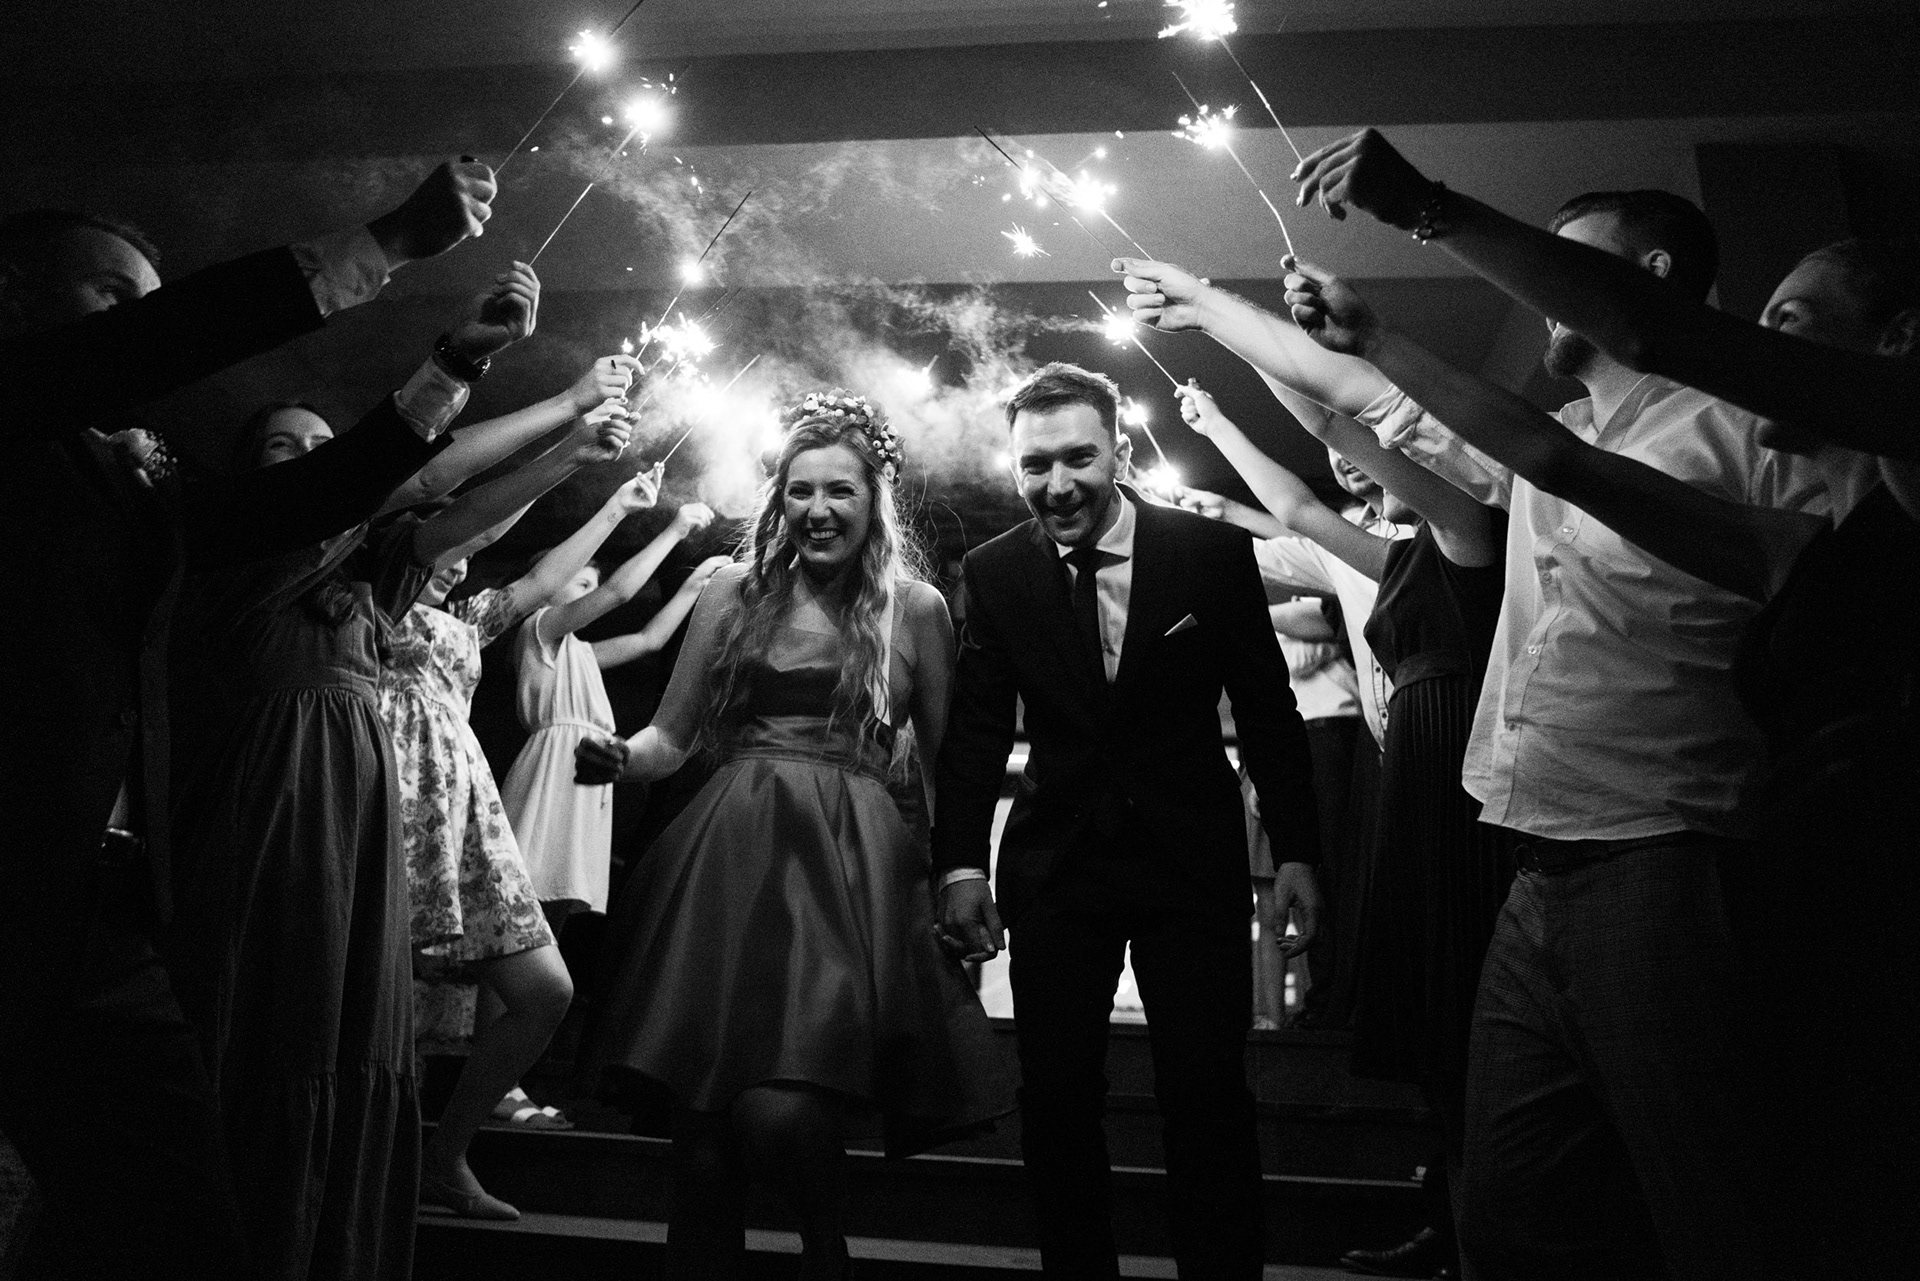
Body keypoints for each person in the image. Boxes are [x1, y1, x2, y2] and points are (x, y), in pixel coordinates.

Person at [1116, 180, 1835, 1278]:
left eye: (1563, 261)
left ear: (1645, 278)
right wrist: (1204, 304)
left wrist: (1404, 249)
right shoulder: (1561, 434)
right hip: (1530, 864)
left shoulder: (1746, 437)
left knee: (1708, 1204)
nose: (1535, 288)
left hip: (1668, 855)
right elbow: (1359, 400)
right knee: (1511, 1211)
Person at [1285, 128, 1920, 1270]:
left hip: (1736, 883)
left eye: (1786, 321)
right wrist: (1374, 337)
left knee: (1734, 1219)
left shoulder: (1888, 500)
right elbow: (1556, 459)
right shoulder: (1784, 544)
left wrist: (1425, 205)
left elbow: (1655, 335)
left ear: (1898, 344)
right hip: (1553, 872)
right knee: (1517, 1219)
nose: (1754, 345)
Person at [0, 159, 493, 1280]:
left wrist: (452, 367)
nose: (140, 320)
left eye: (147, 300)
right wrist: (388, 242)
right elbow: (146, 347)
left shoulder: (129, 484)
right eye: (112, 295)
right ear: (14, 297)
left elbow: (296, 507)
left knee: (179, 1229)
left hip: (96, 919)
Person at [162, 261, 544, 1281]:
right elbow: (411, 478)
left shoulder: (365, 590)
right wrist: (495, 375)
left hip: (356, 807)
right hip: (273, 801)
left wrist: (572, 450)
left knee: (347, 1031)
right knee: (269, 1024)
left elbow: (459, 514)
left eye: (323, 449)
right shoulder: (235, 564)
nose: (311, 463)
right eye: (284, 451)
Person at [574, 389, 1010, 1280]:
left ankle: (826, 1250)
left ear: (873, 499)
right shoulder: (730, 589)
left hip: (848, 867)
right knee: (702, 1146)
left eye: (839, 489)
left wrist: (959, 878)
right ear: (779, 498)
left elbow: (944, 768)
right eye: (800, 489)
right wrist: (622, 757)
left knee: (781, 1109)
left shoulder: (916, 607)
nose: (818, 508)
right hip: (727, 860)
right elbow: (670, 736)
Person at [931, 362, 1322, 1279]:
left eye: (1078, 458)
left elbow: (1268, 709)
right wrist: (960, 866)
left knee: (1208, 1096)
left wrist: (1299, 851)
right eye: (1035, 465)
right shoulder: (994, 571)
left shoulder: (1208, 553)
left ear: (1119, 453)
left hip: (1190, 860)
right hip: (1057, 865)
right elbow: (977, 730)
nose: (1057, 484)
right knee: (1057, 1098)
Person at [1175, 380, 1509, 1281]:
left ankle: (1490, 1232)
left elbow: (1307, 492)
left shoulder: (1475, 533)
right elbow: (1289, 515)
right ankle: (1456, 1219)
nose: (1351, 465)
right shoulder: (1389, 552)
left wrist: (1233, 346)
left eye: (1371, 448)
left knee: (1477, 1019)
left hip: (1475, 794)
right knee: (1441, 1029)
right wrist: (1214, 431)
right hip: (1412, 778)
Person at [376, 404, 663, 1219]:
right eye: (446, 536)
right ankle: (363, 1165)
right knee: (380, 1003)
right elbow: (466, 522)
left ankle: (445, 1154)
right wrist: (570, 444)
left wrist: (616, 504)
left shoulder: (468, 620)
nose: (460, 550)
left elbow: (538, 585)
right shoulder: (370, 603)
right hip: (383, 794)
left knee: (545, 989)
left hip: (461, 808)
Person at [499, 499, 717, 923]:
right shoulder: (538, 628)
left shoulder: (579, 652)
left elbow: (649, 640)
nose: (590, 593)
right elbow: (618, 592)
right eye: (581, 583)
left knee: (558, 898)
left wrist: (696, 585)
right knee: (526, 896)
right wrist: (675, 530)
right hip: (554, 766)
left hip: (588, 767)